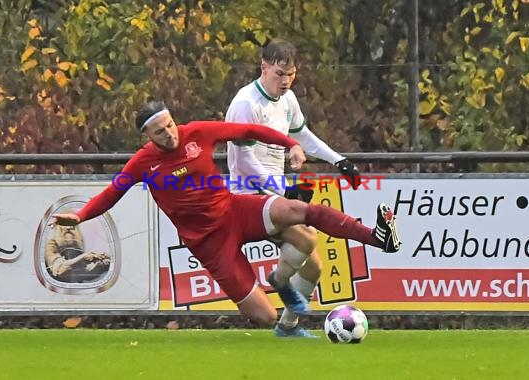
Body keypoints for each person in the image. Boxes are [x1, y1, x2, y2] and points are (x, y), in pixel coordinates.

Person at [51, 100, 400, 328]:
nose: (170, 133)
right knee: (264, 316)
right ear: (146, 136)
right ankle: (275, 312)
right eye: (160, 131)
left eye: (170, 124)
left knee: (299, 210)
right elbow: (114, 192)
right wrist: (80, 217)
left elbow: (247, 132)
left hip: (235, 211)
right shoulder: (144, 162)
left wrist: (291, 143)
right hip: (209, 244)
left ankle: (376, 236)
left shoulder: (197, 133)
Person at [226, 39, 399, 337]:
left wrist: (339, 161)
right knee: (306, 240)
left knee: (313, 268)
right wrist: (278, 190)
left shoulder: (288, 98)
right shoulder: (246, 104)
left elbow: (302, 135)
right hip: (248, 193)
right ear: (263, 67)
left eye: (291, 74)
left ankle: (288, 327)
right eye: (279, 73)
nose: (285, 80)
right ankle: (278, 280)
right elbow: (243, 161)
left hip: (273, 191)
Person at [45, 223, 111, 283]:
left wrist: (100, 265)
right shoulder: (51, 245)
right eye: (64, 224)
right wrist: (83, 257)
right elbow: (60, 270)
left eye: (72, 225)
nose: (68, 228)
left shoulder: (76, 248)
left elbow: (81, 275)